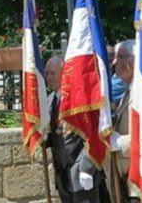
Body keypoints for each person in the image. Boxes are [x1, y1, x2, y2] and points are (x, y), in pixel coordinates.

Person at [45, 56, 111, 203]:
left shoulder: (78, 101)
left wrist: (87, 168)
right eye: (47, 73)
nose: (49, 77)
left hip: (81, 172)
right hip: (62, 174)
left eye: (53, 73)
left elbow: (91, 134)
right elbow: (55, 135)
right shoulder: (50, 101)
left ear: (64, 73)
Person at [107, 39, 137, 202]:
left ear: (134, 60)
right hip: (124, 175)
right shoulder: (128, 91)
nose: (114, 62)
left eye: (120, 57)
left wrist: (120, 142)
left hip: (138, 179)